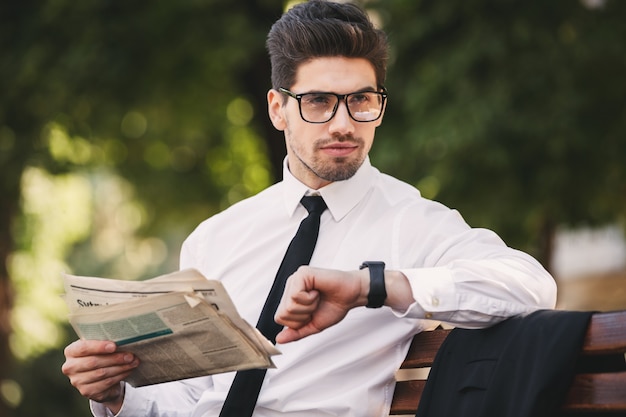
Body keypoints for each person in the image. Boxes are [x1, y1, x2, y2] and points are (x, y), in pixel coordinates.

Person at [61, 1, 557, 416]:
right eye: (319, 101)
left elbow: (531, 286)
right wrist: (116, 394)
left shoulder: (413, 222)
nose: (344, 123)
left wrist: (373, 286)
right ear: (278, 108)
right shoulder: (216, 237)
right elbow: (194, 400)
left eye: (361, 100)